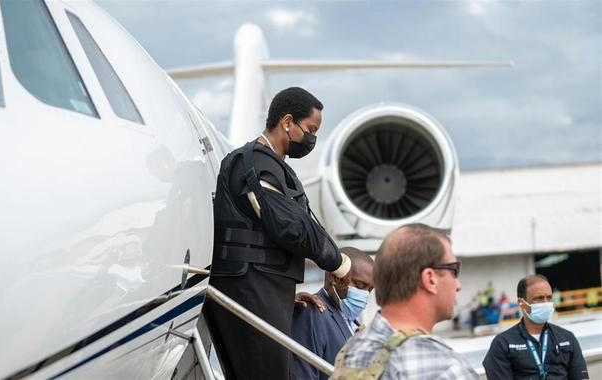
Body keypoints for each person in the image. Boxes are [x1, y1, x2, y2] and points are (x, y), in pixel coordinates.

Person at [203, 87, 350, 380]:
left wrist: (282, 296)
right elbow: (291, 227)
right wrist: (339, 262)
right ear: (286, 122)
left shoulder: (269, 164)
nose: (312, 139)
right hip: (250, 292)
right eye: (310, 130)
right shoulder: (257, 164)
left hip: (261, 290)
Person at [330, 224, 478, 379]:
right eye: (454, 270)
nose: (458, 285)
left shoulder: (353, 348)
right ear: (430, 279)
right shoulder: (442, 367)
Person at [483, 275, 589, 380]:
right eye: (539, 298)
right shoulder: (503, 343)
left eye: (549, 297)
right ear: (522, 303)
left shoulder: (567, 338)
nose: (546, 303)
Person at [292, 247, 374, 380]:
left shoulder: (353, 323)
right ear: (335, 278)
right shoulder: (313, 312)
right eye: (360, 285)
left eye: (370, 289)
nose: (365, 294)